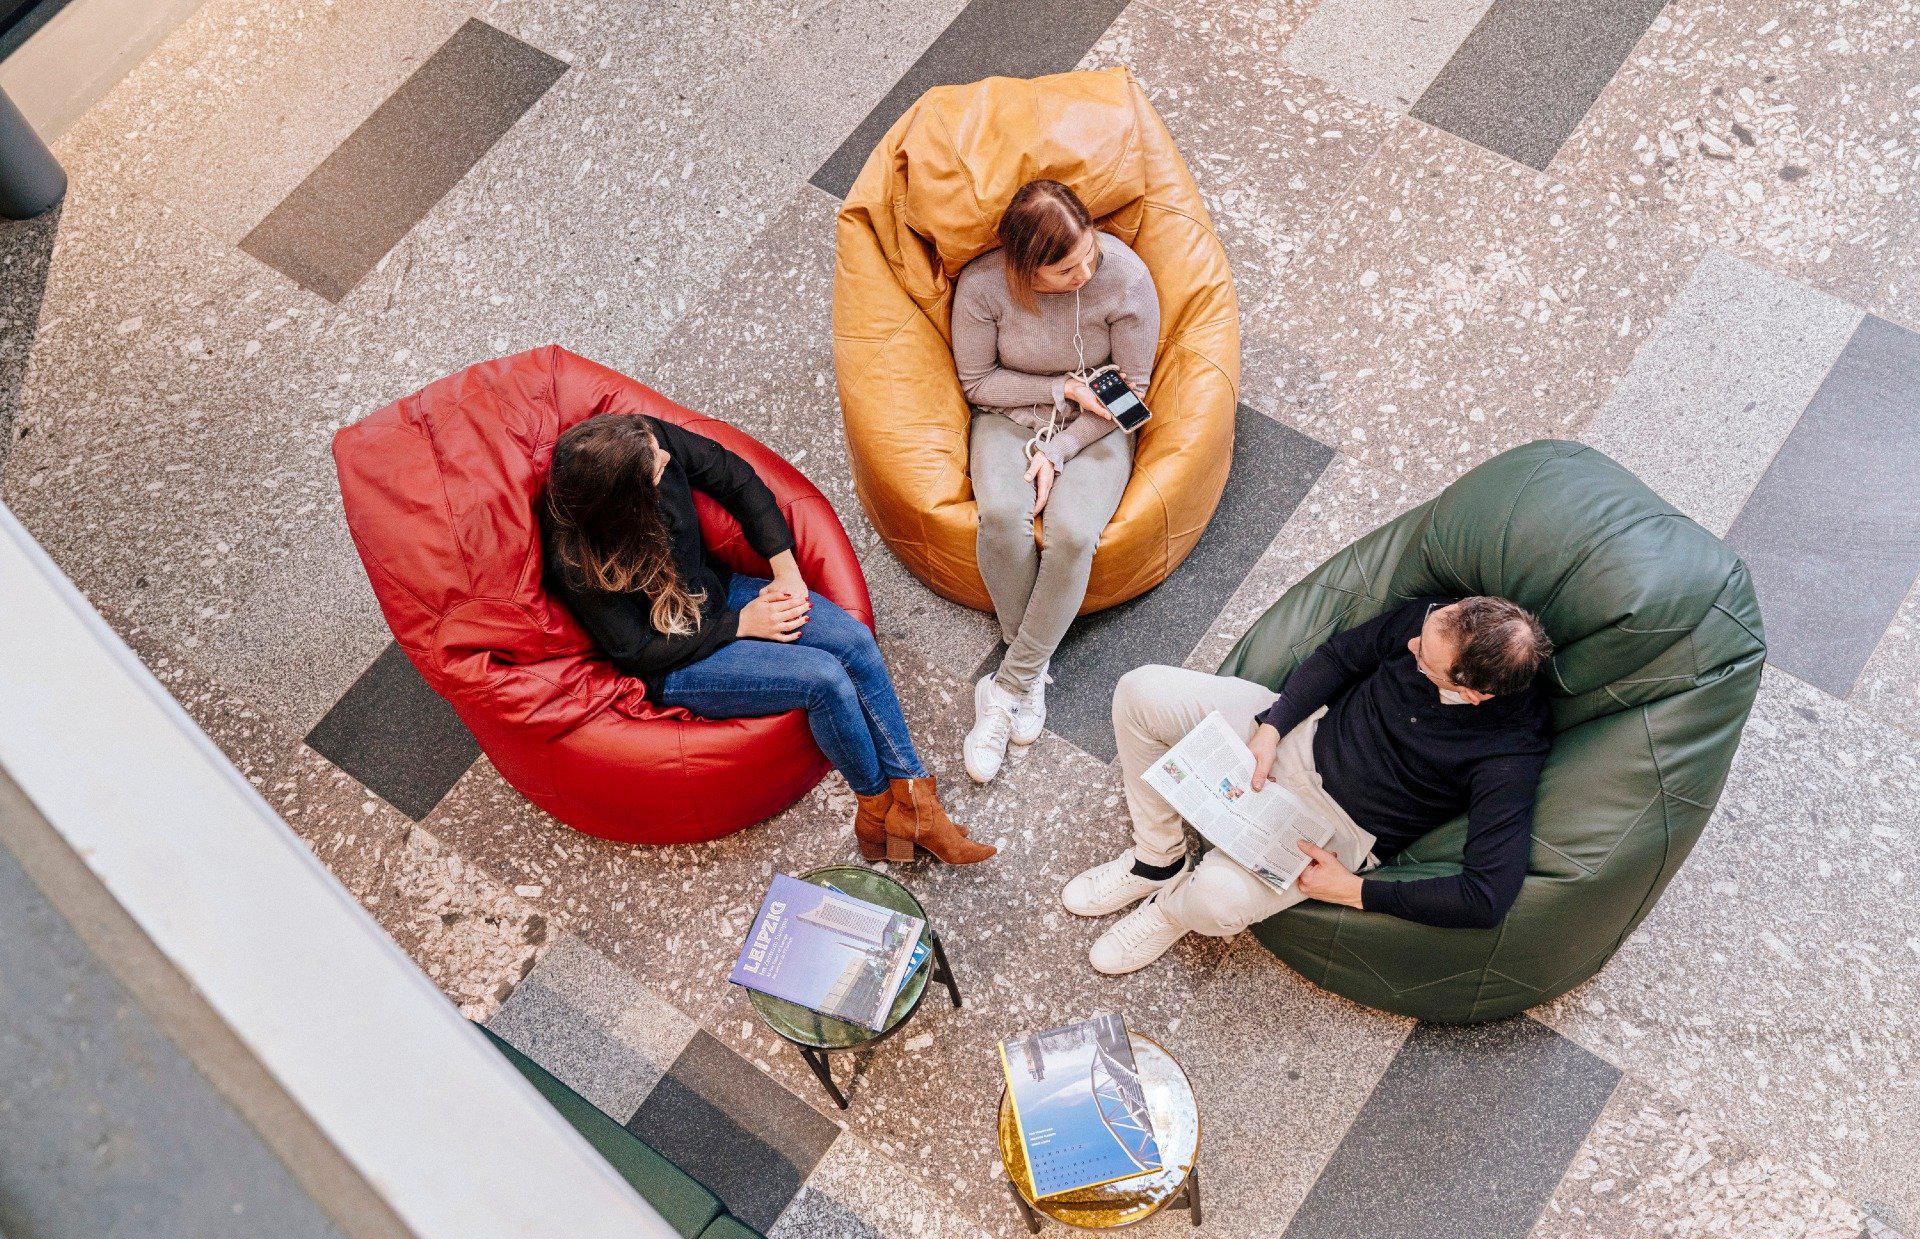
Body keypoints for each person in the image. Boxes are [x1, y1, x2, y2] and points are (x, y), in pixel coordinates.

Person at [542, 413, 994, 865]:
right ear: (629, 501)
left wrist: (786, 570)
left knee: (854, 641)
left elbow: (735, 478)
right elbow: (636, 651)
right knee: (825, 679)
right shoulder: (578, 556)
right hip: (677, 659)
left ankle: (915, 804)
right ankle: (874, 810)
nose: (665, 457)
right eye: (657, 470)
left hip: (716, 593)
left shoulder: (645, 437)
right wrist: (741, 624)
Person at [1063, 597, 1554, 974]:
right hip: (1301, 732)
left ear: (1470, 693)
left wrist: (1354, 890)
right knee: (1141, 690)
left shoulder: (1509, 755)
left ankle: (1172, 911)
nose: (1410, 646)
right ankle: (1156, 859)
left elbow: (1487, 897)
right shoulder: (1442, 622)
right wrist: (1273, 727)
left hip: (1332, 827)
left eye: (1423, 657)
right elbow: (1341, 657)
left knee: (1216, 904)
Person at [951, 179, 1160, 784]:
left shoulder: (1124, 279)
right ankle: (1033, 673)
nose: (1085, 273)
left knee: (1072, 533)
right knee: (1001, 518)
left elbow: (1133, 394)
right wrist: (1055, 390)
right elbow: (977, 382)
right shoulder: (985, 287)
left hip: (1097, 424)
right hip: (1010, 410)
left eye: (1089, 254)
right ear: (1026, 267)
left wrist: (1062, 448)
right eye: (1066, 269)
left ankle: (1009, 684)